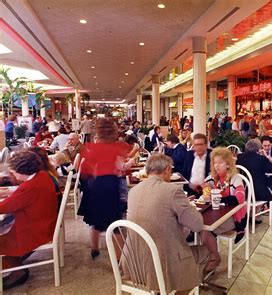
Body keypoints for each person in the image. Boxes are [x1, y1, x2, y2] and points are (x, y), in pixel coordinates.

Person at [126, 153, 209, 293]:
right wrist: (188, 207)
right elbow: (197, 225)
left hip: (133, 263)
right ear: (167, 170)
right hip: (163, 264)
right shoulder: (172, 190)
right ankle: (182, 288)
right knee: (204, 252)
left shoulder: (133, 191)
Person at [0, 151, 58, 289]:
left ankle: (18, 271)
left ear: (21, 171)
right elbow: (25, 196)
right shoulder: (42, 176)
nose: (12, 175)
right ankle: (16, 263)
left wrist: (10, 195)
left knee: (2, 239)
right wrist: (11, 193)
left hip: (35, 230)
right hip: (45, 223)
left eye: (13, 172)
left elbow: (4, 207)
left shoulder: (29, 187)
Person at [79, 118, 129, 259]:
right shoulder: (118, 146)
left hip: (98, 184)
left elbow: (84, 170)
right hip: (112, 184)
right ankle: (119, 257)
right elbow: (125, 159)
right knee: (115, 221)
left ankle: (95, 249)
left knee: (96, 220)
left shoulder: (92, 148)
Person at [201, 148, 247, 270]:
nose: (217, 166)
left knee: (206, 230)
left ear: (227, 164)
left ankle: (214, 258)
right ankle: (209, 255)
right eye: (215, 162)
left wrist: (219, 199)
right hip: (217, 214)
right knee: (200, 227)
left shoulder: (235, 178)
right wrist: (205, 188)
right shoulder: (213, 177)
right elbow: (203, 186)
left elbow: (240, 198)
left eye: (220, 162)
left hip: (235, 217)